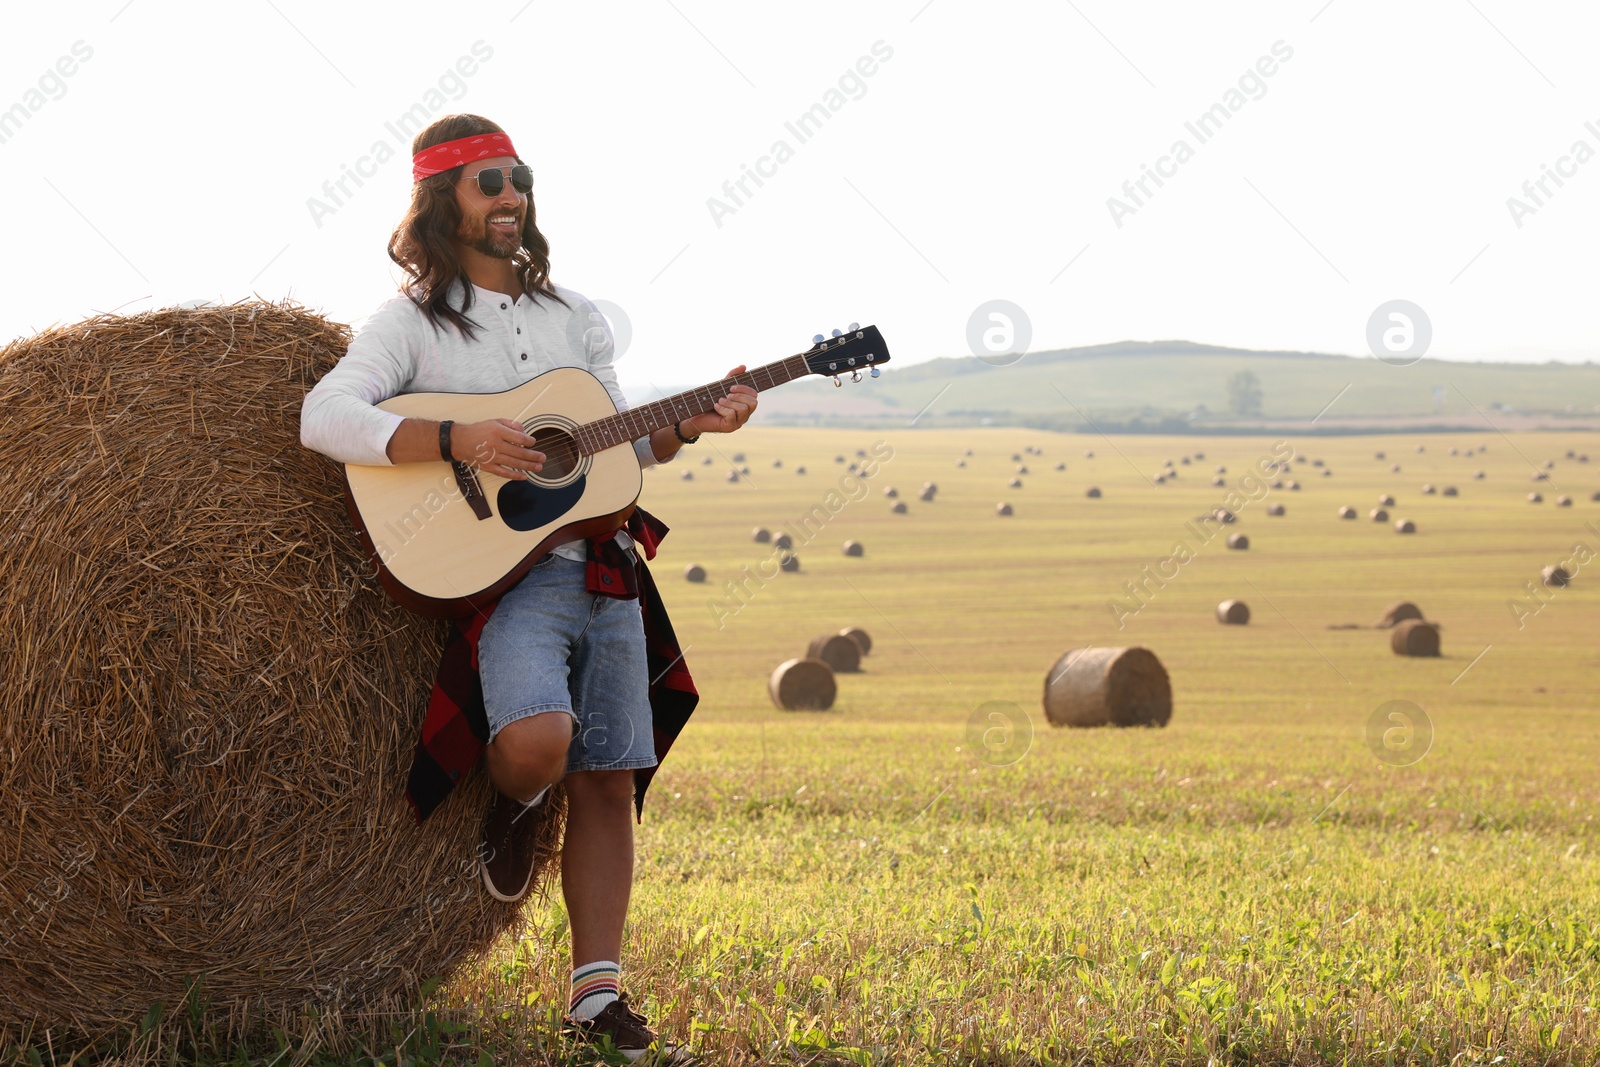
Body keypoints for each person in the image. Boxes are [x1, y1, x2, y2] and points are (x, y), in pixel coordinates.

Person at [299, 112, 756, 1060]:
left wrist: (691, 425)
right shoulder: (410, 322)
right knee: (540, 745)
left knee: (608, 778)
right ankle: (509, 809)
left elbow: (619, 447)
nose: (511, 197)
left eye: (518, 178)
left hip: (608, 567)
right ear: (441, 202)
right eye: (488, 182)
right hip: (507, 584)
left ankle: (598, 992)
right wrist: (455, 438)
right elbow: (324, 413)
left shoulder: (573, 318)